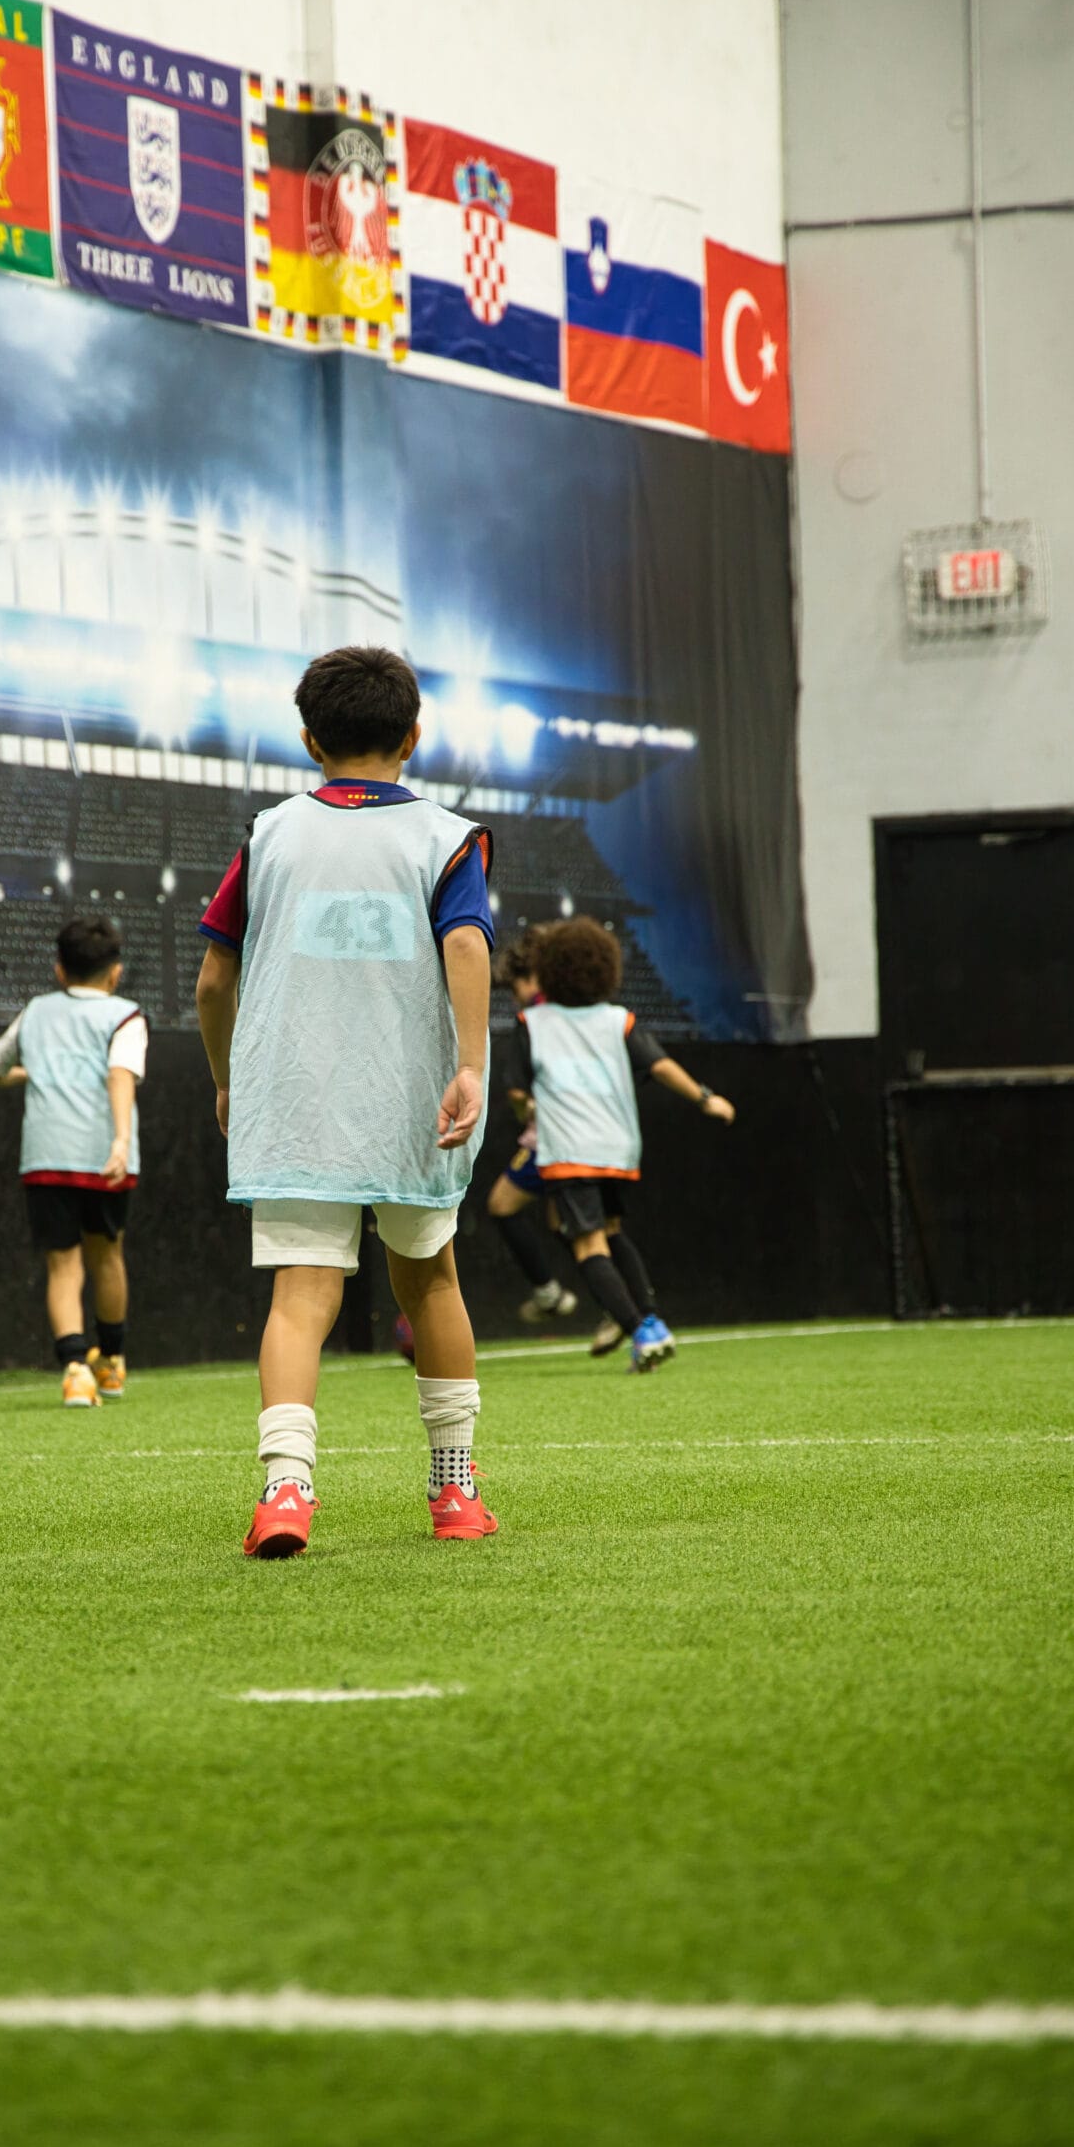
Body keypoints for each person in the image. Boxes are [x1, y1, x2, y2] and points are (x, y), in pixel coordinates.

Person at [196, 642, 500, 1558]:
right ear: (413, 735)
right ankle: (454, 1495)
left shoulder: (268, 833)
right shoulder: (446, 837)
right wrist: (473, 1065)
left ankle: (285, 1493)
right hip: (414, 1098)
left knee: (300, 1296)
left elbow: (215, 980)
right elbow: (468, 949)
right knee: (431, 1280)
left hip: (294, 1097)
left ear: (305, 737)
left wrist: (224, 1079)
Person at [517, 916, 734, 1371]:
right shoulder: (619, 1020)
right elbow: (659, 1066)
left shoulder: (531, 1023)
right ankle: (650, 1317)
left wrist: (527, 1110)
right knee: (612, 1232)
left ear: (548, 970)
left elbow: (520, 1094)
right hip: (617, 1148)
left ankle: (641, 1329)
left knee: (588, 1246)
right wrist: (706, 1098)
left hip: (570, 1150)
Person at [0, 912, 146, 1409]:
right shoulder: (126, 1014)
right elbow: (120, 1075)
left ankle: (75, 1371)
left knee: (63, 1267)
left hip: (47, 1157)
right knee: (108, 1255)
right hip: (104, 1157)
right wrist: (120, 1140)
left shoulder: (36, 1011)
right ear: (115, 972)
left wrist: (31, 1074)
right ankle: (111, 1365)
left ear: (59, 970)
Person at [486, 923, 622, 1349]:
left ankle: (612, 1307)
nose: (514, 997)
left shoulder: (540, 1017)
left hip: (555, 1138)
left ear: (535, 977)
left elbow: (518, 1092)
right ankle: (619, 1307)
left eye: (517, 986)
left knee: (504, 1205)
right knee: (566, 1223)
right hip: (592, 1130)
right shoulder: (580, 1008)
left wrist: (523, 1107)